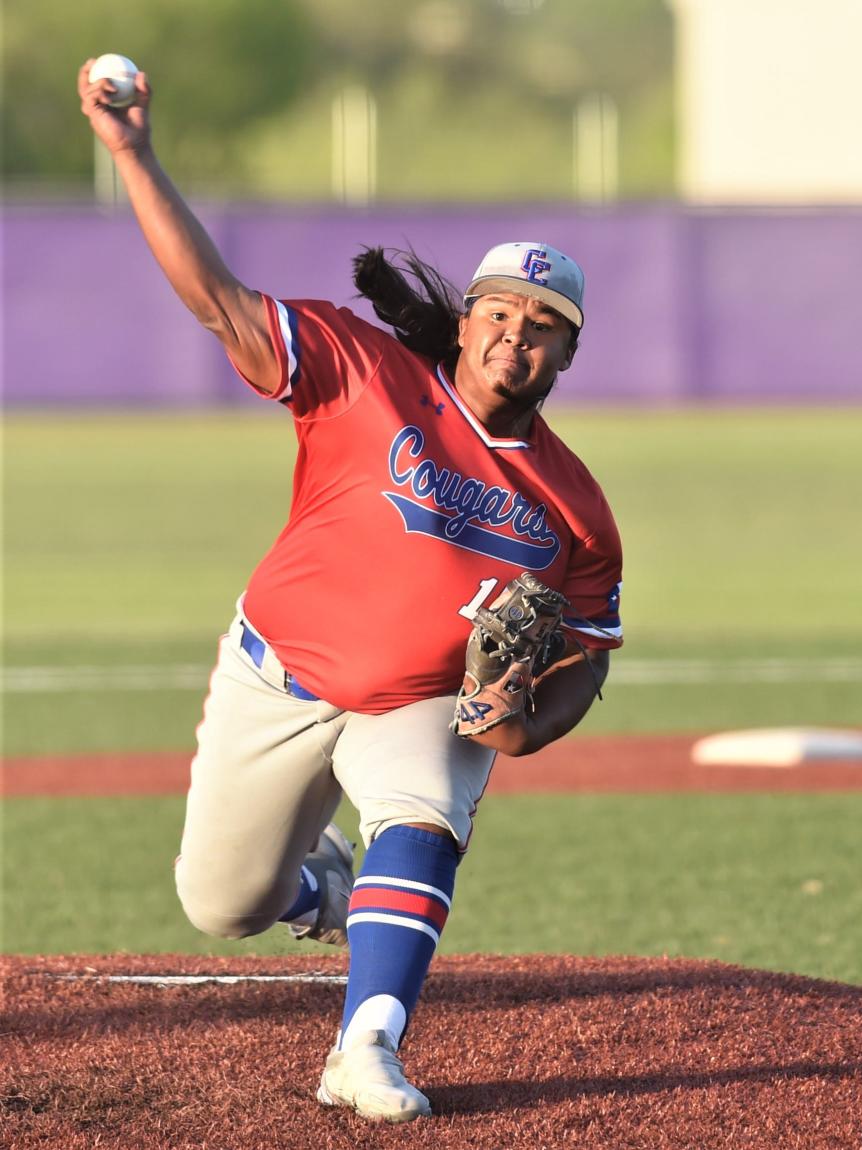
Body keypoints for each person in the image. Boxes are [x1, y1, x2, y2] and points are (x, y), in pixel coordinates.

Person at [78, 59, 624, 1124]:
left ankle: (366, 1042)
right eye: (502, 311)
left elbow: (589, 652)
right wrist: (132, 153)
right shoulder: (362, 371)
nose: (518, 334)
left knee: (428, 803)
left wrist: (529, 720)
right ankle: (319, 888)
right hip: (275, 672)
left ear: (568, 350)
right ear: (466, 320)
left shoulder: (575, 508)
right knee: (222, 902)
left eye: (544, 322)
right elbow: (217, 300)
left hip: (422, 699)